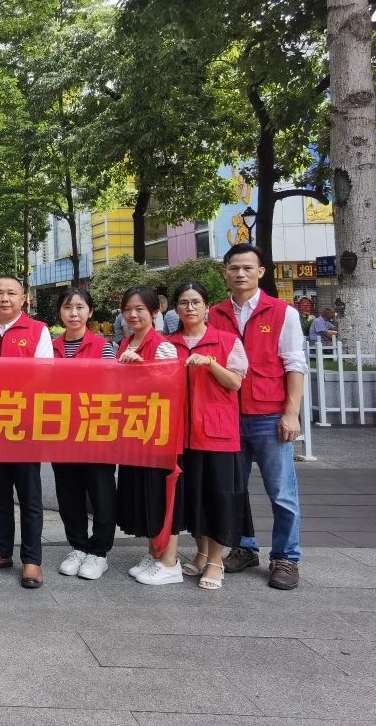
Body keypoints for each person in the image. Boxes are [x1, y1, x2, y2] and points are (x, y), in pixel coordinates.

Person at [208, 243, 306, 590]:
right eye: (234, 268)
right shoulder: (214, 314)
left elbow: (295, 364)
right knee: (233, 489)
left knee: (282, 492)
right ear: (225, 272)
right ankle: (244, 547)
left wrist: (291, 413)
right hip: (227, 416)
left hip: (269, 415)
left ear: (261, 272)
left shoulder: (282, 312)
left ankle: (286, 557)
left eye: (248, 268)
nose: (241, 274)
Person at [0, 275, 51, 590]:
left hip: (25, 425)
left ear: (23, 298)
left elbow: (45, 376)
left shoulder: (38, 331)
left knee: (29, 496)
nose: (4, 298)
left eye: (11, 293)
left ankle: (32, 559)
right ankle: (2, 551)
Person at [168, 281, 248, 591]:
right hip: (179, 434)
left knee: (218, 497)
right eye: (183, 302)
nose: (189, 307)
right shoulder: (169, 344)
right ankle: (201, 553)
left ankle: (216, 561)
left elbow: (235, 383)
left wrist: (211, 363)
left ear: (206, 307)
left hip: (216, 433)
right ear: (176, 308)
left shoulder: (226, 341)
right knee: (194, 497)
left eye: (196, 302)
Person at [114, 286, 184, 586]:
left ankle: (170, 562)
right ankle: (155, 554)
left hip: (159, 435)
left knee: (162, 496)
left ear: (155, 312)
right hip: (136, 432)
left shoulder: (162, 346)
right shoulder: (126, 342)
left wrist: (142, 368)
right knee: (145, 496)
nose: (133, 314)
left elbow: (172, 387)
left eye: (140, 309)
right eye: (128, 309)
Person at [51, 288, 118, 581]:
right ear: (60, 312)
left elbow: (111, 385)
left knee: (101, 492)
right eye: (68, 307)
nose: (74, 313)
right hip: (60, 430)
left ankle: (99, 552)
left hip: (95, 429)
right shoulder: (50, 347)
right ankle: (78, 546)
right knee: (68, 493)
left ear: (90, 312)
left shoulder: (103, 346)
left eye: (80, 307)